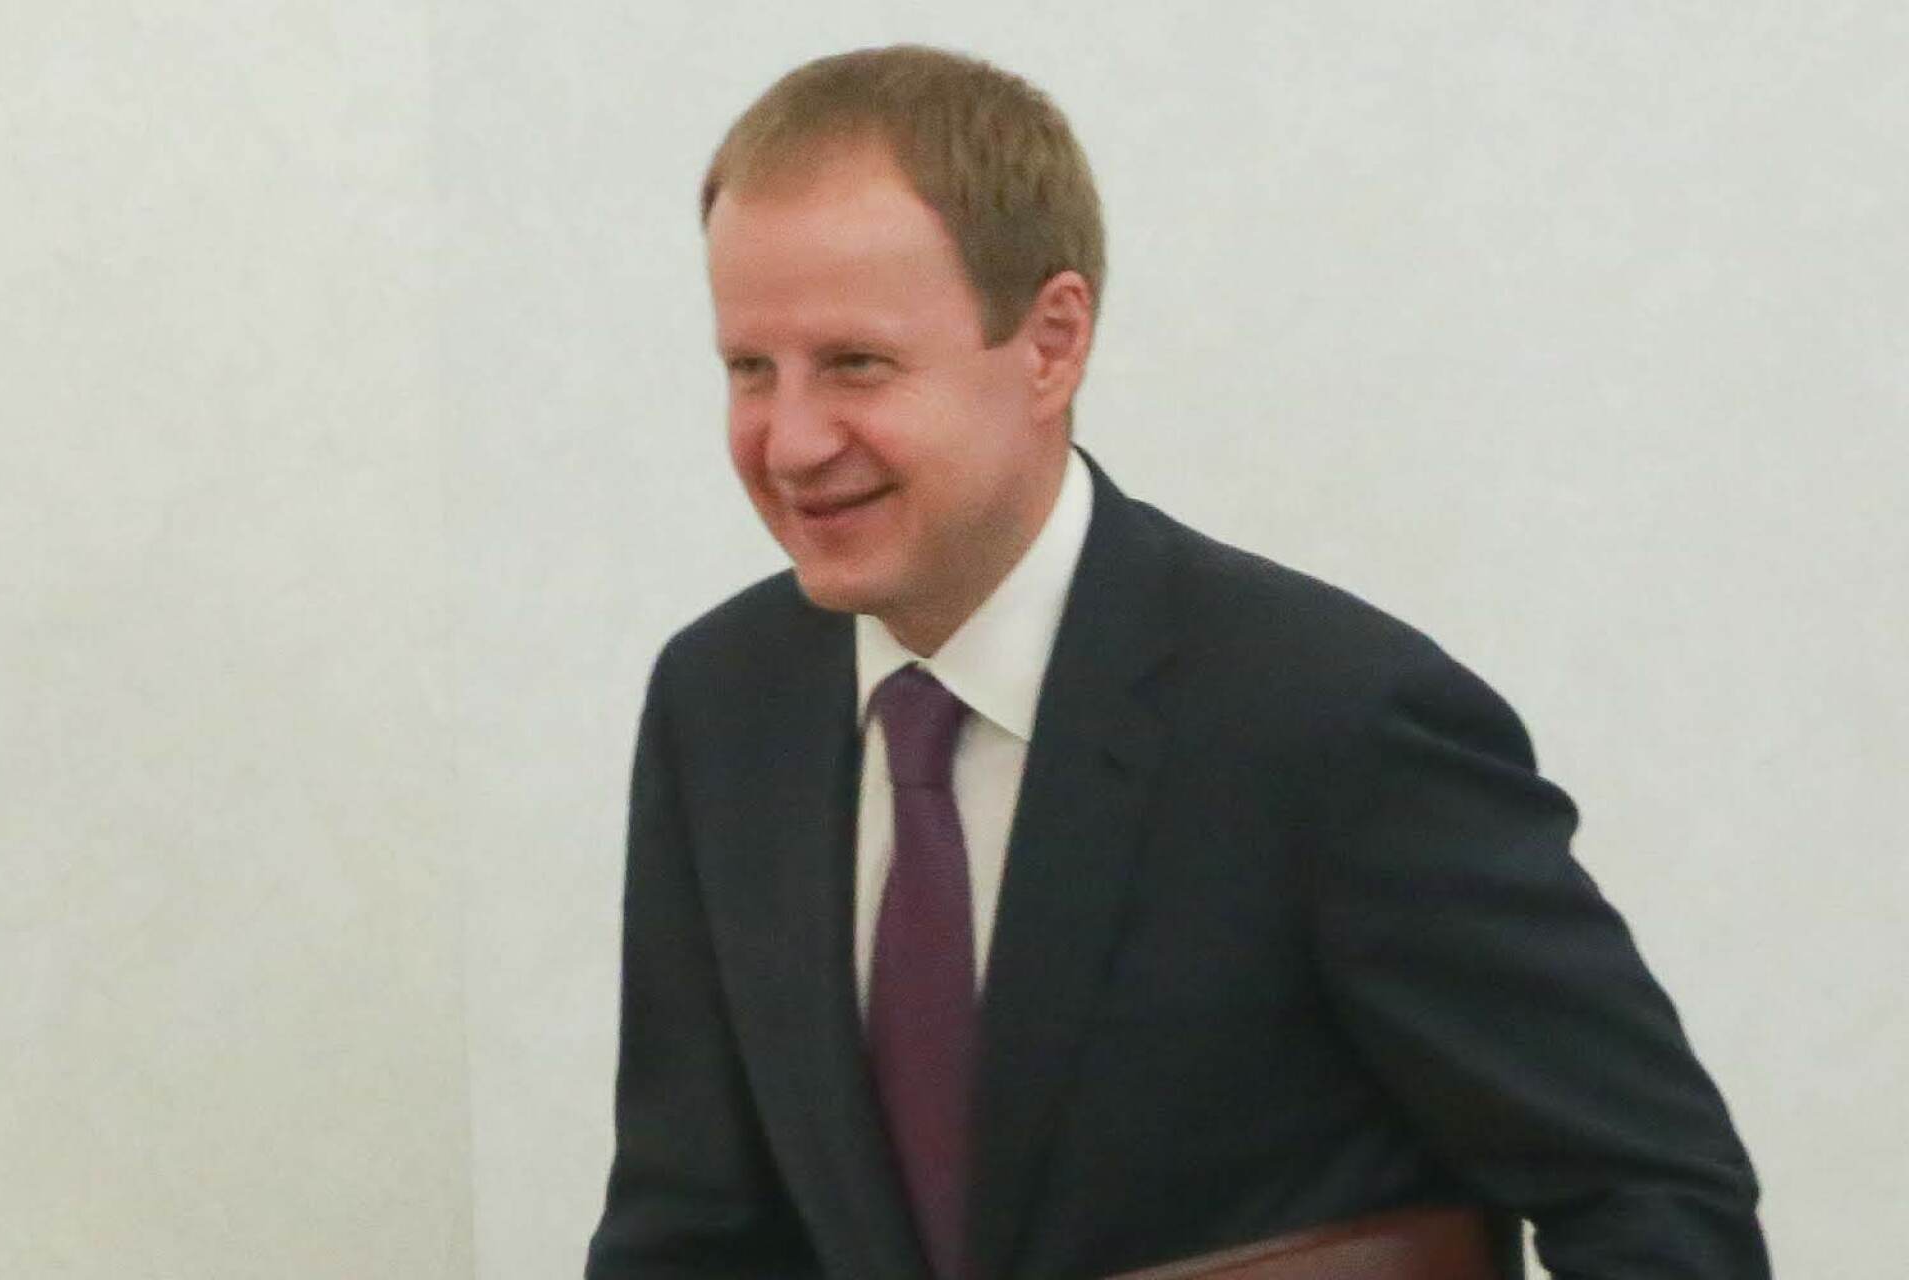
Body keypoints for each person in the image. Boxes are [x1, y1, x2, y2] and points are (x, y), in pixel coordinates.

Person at [585, 45, 1767, 1280]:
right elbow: (689, 1232)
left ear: (1051, 342)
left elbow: (1656, 1200)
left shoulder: (1331, 722)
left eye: (855, 364)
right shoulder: (722, 706)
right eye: (749, 369)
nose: (788, 441)